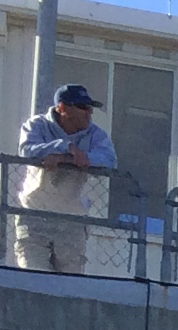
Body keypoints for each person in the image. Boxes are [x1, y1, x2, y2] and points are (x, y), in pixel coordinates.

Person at [14, 82, 116, 275]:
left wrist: (76, 158)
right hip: (34, 214)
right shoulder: (37, 125)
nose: (89, 113)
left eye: (89, 108)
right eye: (82, 107)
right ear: (62, 108)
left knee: (69, 283)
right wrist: (65, 147)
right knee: (33, 277)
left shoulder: (96, 134)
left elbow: (109, 160)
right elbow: (27, 150)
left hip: (73, 219)